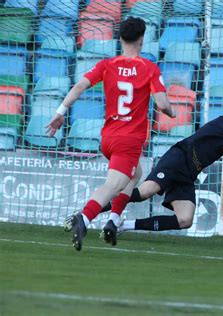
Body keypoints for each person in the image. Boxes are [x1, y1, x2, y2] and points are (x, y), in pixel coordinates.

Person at [65, 95, 223, 238]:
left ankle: (124, 225)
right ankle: (85, 215)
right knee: (145, 192)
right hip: (178, 158)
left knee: (185, 220)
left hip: (189, 174)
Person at [47, 17, 174, 251]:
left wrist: (60, 111)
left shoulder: (107, 64)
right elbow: (163, 104)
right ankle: (83, 219)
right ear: (142, 39)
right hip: (129, 139)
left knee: (136, 173)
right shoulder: (149, 68)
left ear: (120, 38)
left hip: (108, 138)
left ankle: (113, 220)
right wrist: (172, 111)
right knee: (114, 185)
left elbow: (79, 86)